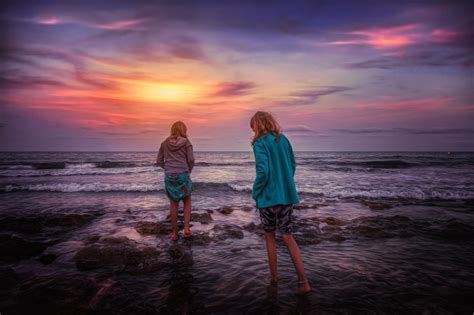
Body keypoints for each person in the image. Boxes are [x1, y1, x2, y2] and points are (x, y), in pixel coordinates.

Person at [250, 111, 311, 295]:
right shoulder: (283, 139)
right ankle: (303, 282)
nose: (252, 131)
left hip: (268, 199)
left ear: (258, 125)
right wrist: (285, 183)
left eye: (252, 127)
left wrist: (255, 191)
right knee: (287, 235)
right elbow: (292, 164)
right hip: (285, 197)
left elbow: (263, 171)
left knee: (270, 237)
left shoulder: (259, 142)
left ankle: (274, 279)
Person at [157, 121, 195, 241]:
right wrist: (189, 170)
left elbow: (159, 161)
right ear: (184, 130)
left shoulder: (164, 143)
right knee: (187, 200)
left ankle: (174, 233)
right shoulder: (186, 142)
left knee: (173, 204)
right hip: (183, 174)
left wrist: (167, 168)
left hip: (170, 176)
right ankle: (186, 229)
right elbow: (191, 159)